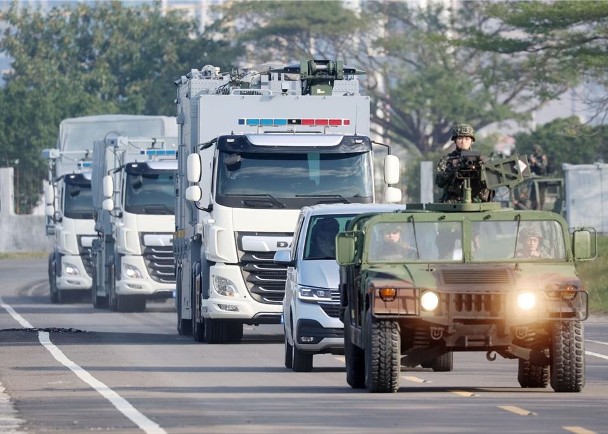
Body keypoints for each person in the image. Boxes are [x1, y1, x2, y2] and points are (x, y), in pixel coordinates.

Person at [435, 123, 493, 203]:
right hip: (453, 203)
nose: (463, 142)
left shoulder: (481, 160)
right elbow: (440, 182)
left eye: (467, 139)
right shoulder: (447, 160)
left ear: (471, 141)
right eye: (460, 138)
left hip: (477, 203)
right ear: (455, 141)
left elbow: (492, 182)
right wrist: (452, 168)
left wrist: (480, 168)